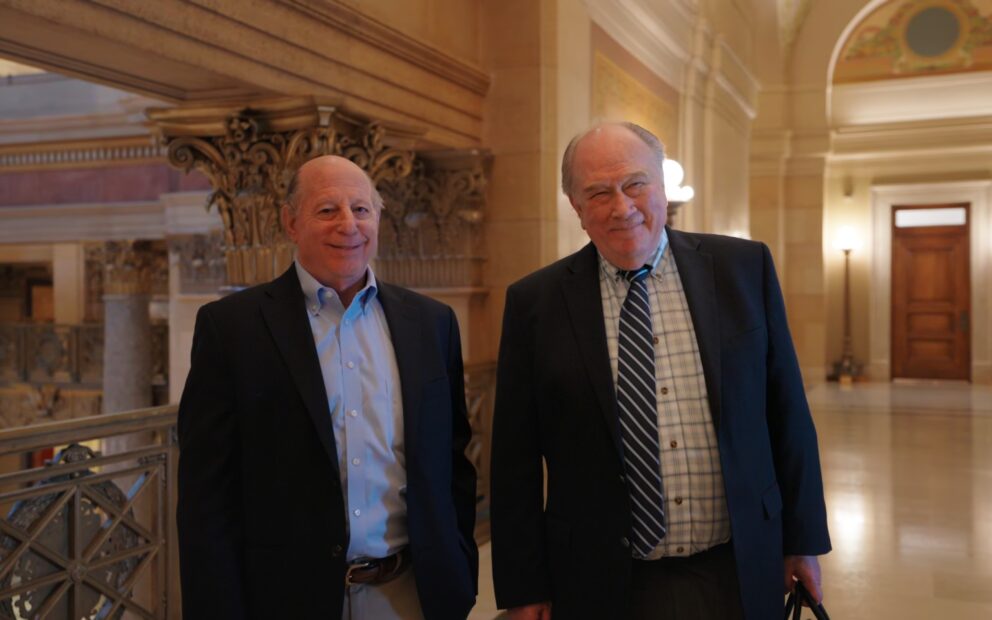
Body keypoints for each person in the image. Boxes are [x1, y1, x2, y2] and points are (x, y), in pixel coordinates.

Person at [490, 123, 830, 620]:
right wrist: (524, 585)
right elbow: (514, 461)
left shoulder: (742, 268)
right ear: (576, 209)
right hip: (601, 580)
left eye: (635, 184)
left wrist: (802, 541)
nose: (621, 206)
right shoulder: (534, 304)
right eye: (598, 193)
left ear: (663, 188)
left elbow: (788, 414)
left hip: (736, 566)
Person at [177, 155, 478, 620]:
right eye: (326, 210)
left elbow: (453, 460)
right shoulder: (232, 329)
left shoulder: (431, 323)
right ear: (290, 222)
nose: (348, 225)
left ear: (379, 218)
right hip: (285, 598)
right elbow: (206, 497)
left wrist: (461, 570)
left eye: (361, 209)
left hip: (411, 593)